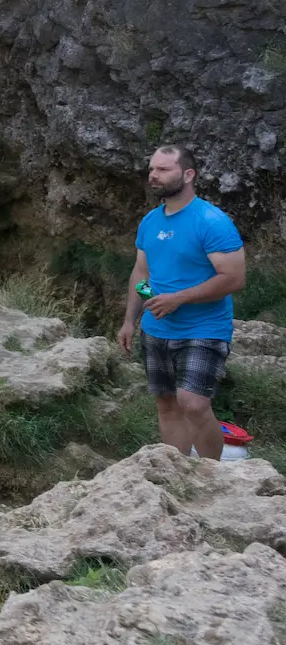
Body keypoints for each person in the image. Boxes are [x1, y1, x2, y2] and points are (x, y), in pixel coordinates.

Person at [117, 145, 247, 459]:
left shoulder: (211, 221)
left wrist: (178, 299)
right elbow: (142, 272)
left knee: (194, 403)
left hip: (203, 328)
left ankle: (211, 475)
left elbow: (234, 278)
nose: (154, 175)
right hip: (156, 330)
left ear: (188, 175)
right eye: (152, 169)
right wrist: (131, 319)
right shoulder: (150, 221)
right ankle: (177, 472)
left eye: (163, 170)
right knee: (166, 404)